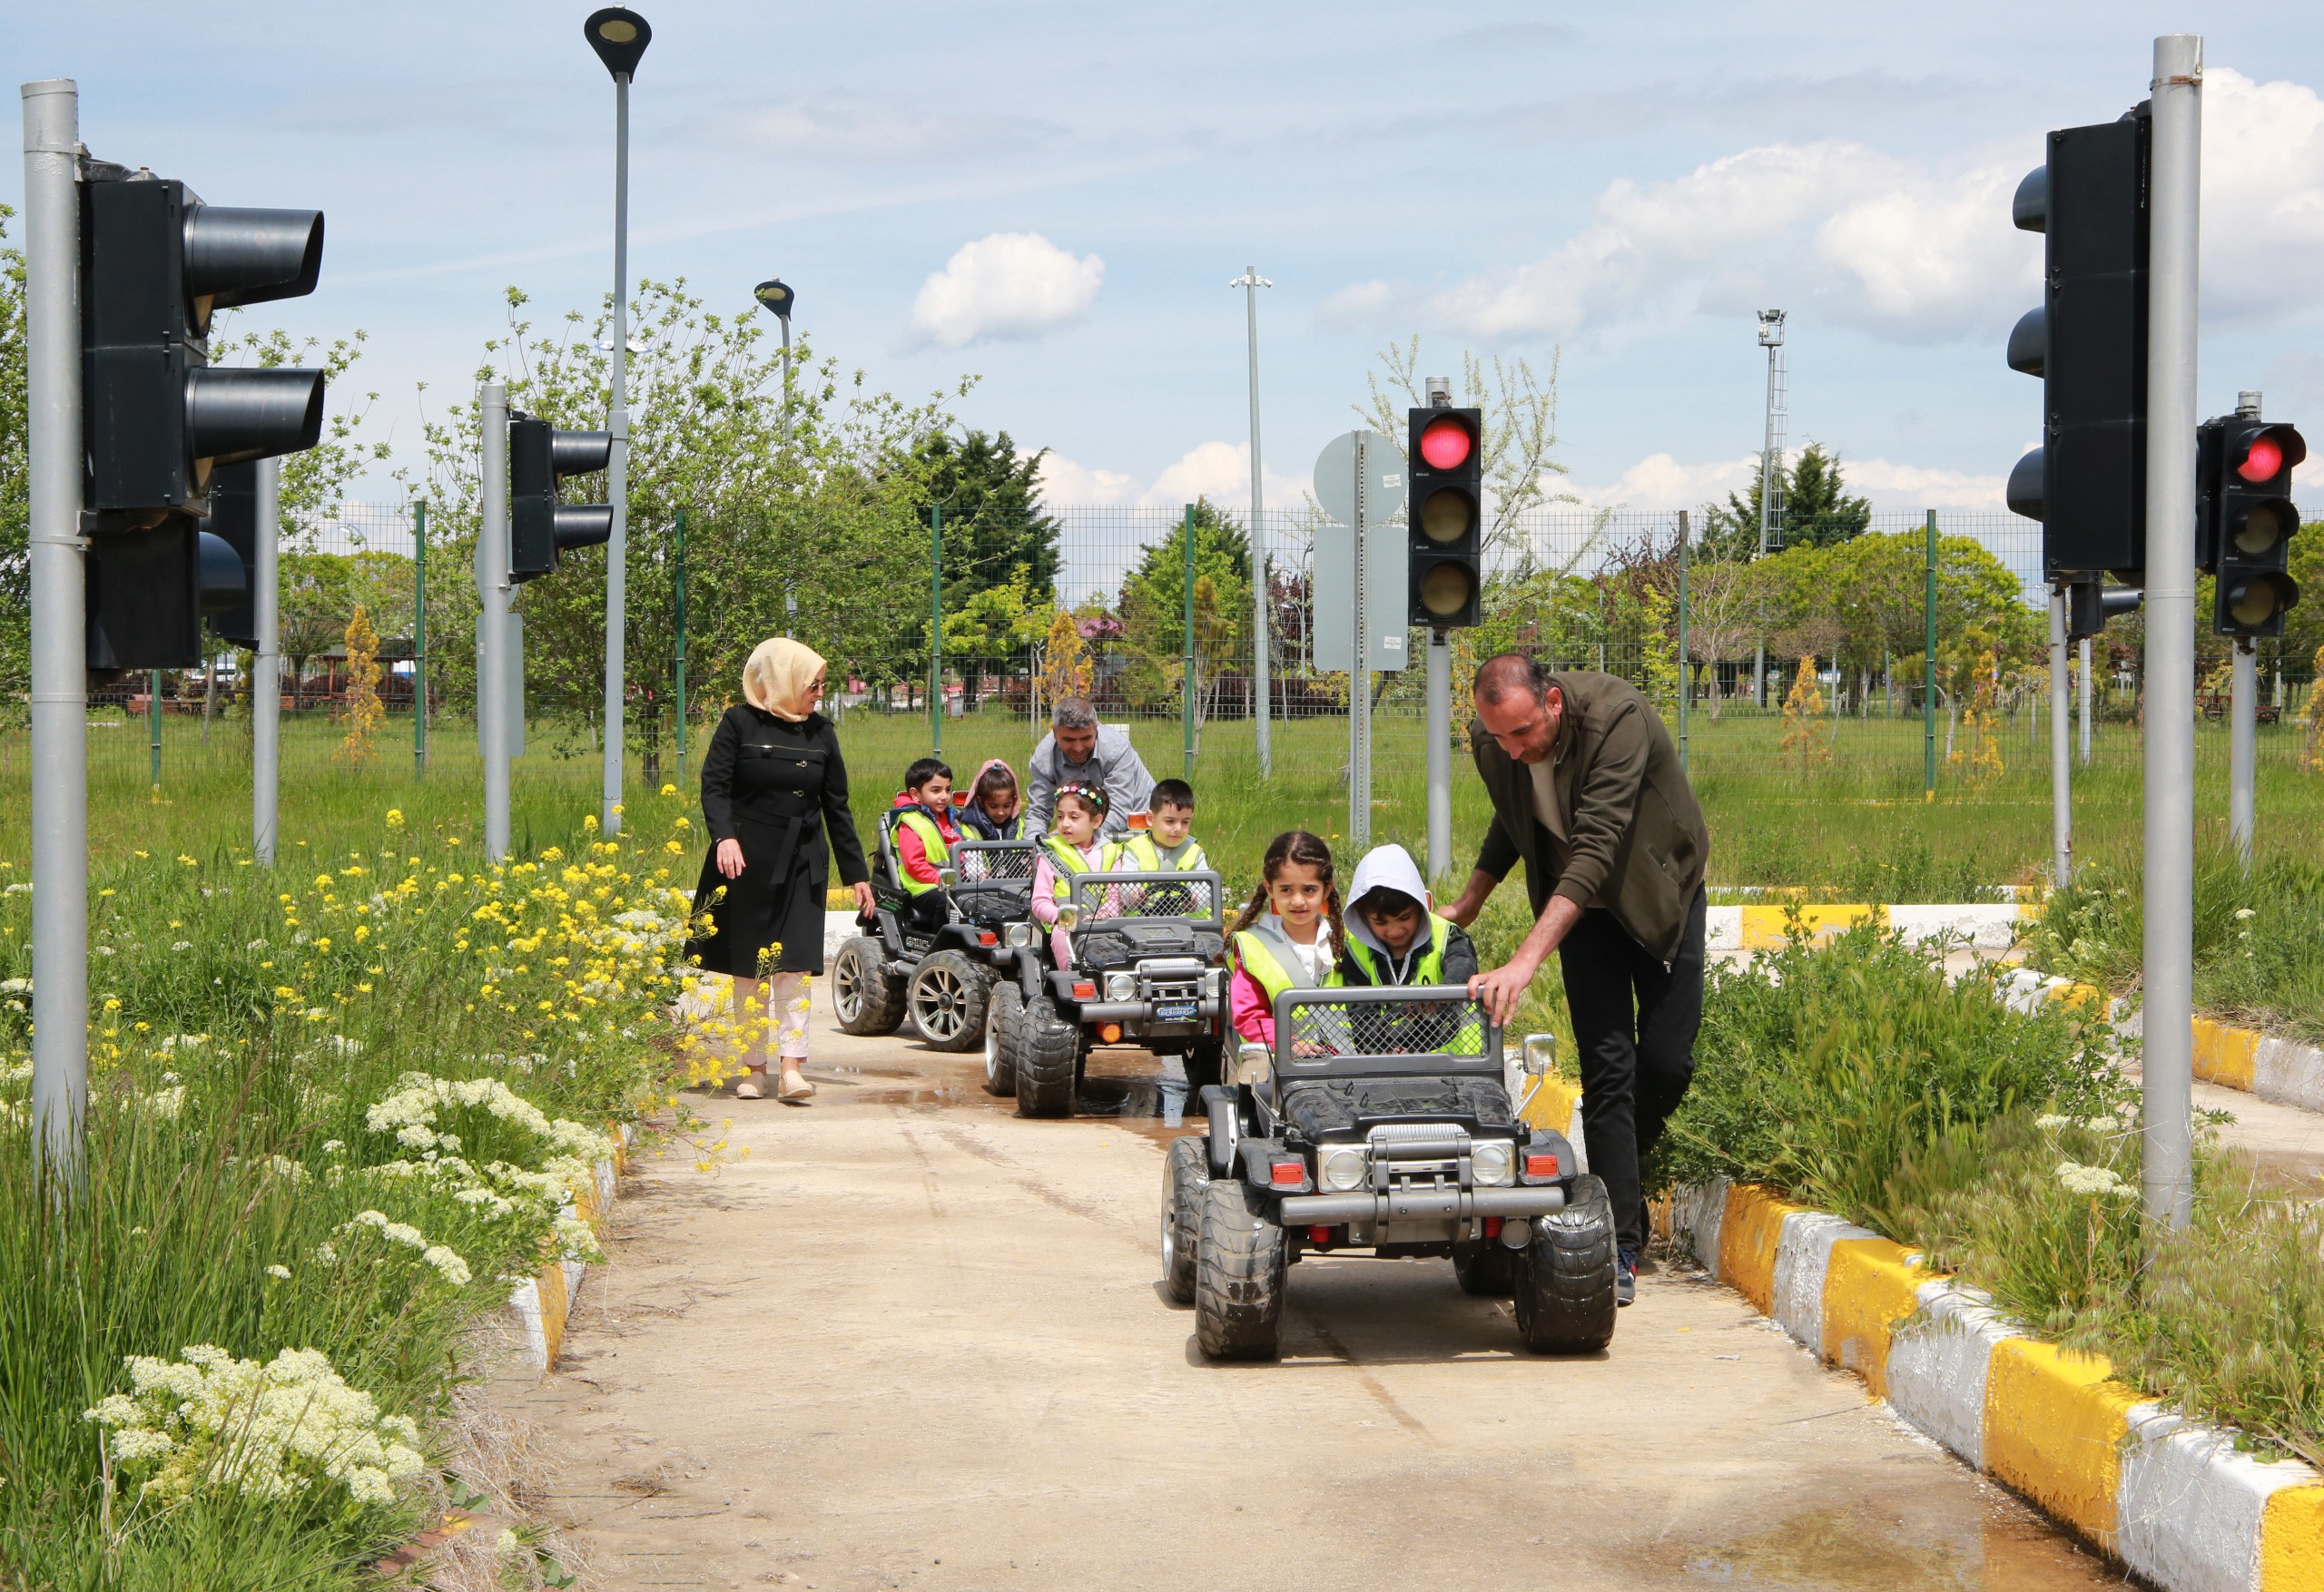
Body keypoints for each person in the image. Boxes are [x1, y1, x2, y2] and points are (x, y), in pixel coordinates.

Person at [1442, 654, 1710, 1309]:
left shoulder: (1618, 719)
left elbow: (1598, 844)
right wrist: (1473, 898)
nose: (1513, 749)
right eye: (1499, 737)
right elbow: (1515, 816)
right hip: (1579, 913)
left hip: (1656, 893)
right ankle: (1618, 1242)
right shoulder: (1496, 738)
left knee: (1668, 1064)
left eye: (1524, 734)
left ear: (1553, 704)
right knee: (1609, 1067)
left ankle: (1618, 1155)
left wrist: (1525, 960)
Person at [684, 639, 874, 1104]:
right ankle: (754, 1069)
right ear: (783, 680)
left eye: (821, 686)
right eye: (813, 685)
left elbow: (837, 807)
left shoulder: (822, 732)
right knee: (751, 969)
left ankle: (792, 1068)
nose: (818, 694)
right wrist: (724, 836)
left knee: (793, 967)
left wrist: (856, 874)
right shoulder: (738, 722)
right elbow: (714, 787)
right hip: (744, 862)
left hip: (803, 863)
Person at [1225, 830, 1346, 1053]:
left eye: (1309, 890)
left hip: (1344, 1065)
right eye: (1286, 890)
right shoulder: (1253, 947)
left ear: (1326, 889)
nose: (1298, 901)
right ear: (1270, 889)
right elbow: (1249, 1015)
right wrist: (1288, 1044)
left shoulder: (1346, 943)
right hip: (1277, 1068)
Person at [1343, 843, 1477, 988]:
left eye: (1404, 918)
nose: (1395, 930)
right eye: (1380, 922)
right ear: (1361, 912)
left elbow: (1463, 967)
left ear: (1421, 905)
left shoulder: (1448, 937)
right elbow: (1360, 1008)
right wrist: (1409, 1010)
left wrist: (1441, 998)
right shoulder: (1356, 950)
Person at [1024, 696, 1154, 841]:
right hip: (1086, 830)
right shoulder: (1044, 758)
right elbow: (1038, 811)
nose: (1078, 748)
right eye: (1069, 740)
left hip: (1140, 827)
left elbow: (1119, 811)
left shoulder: (1117, 749)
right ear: (1055, 732)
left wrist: (1068, 837)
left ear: (1096, 728)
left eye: (1086, 738)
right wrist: (1032, 849)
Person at [1030, 783, 1117, 965]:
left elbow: (1115, 897)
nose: (1065, 823)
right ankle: (1070, 980)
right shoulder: (1051, 853)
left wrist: (1103, 915)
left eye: (1074, 817)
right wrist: (1063, 918)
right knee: (1062, 935)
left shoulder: (1112, 853)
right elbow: (1039, 902)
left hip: (1104, 922)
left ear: (1096, 821)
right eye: (1060, 816)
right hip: (1067, 925)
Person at [888, 758, 960, 929]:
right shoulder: (910, 822)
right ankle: (940, 948)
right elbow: (914, 864)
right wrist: (942, 881)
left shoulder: (948, 818)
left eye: (948, 789)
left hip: (949, 882)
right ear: (915, 794)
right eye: (936, 790)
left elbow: (960, 850)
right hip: (921, 885)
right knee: (946, 902)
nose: (944, 796)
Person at [1113, 778, 1209, 872]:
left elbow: (1204, 887)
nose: (1178, 828)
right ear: (1150, 818)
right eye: (1170, 821)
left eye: (1185, 822)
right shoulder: (1135, 849)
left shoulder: (1194, 853)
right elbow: (1129, 885)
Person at [957, 759, 1028, 841]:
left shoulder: (1022, 827)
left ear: (1014, 800)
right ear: (981, 801)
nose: (1000, 812)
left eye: (1007, 805)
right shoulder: (970, 829)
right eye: (994, 806)